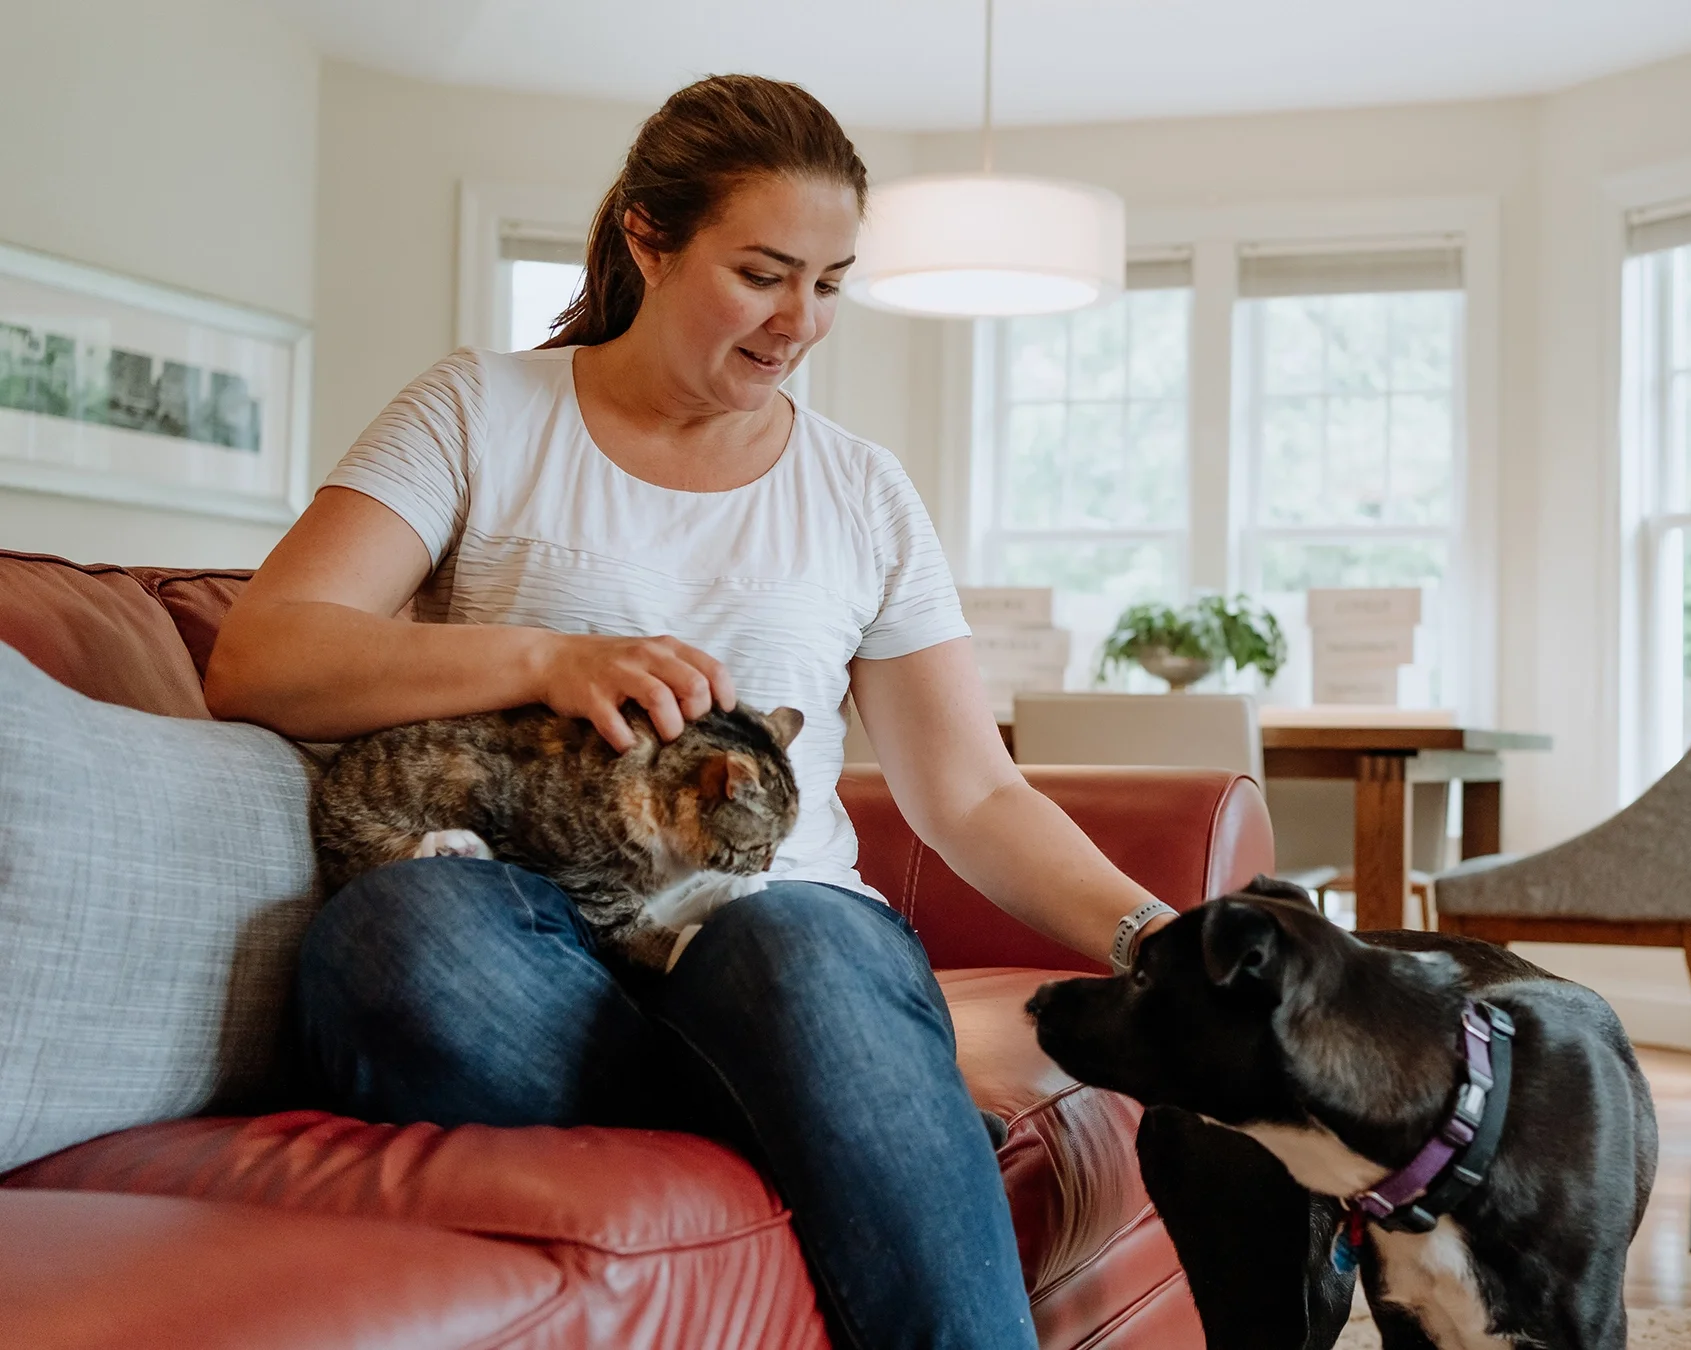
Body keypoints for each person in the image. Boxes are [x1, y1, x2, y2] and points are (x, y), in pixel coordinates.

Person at [206, 74, 1172, 1350]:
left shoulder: (862, 493)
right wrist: (545, 657)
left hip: (770, 935)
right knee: (404, 939)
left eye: (829, 283)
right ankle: (827, 1105)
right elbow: (264, 656)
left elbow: (973, 793)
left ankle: (823, 1074)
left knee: (808, 954)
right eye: (765, 272)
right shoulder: (480, 411)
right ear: (647, 239)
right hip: (520, 931)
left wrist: (1156, 939)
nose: (800, 323)